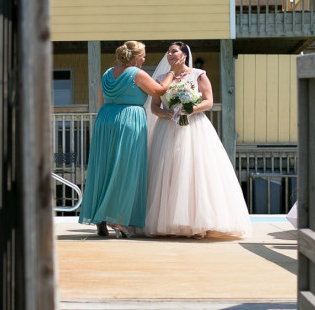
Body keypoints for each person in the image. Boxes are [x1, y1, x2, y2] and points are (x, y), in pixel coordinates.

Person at [144, 41, 252, 239]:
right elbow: (154, 107)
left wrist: (191, 108)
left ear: (184, 55)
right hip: (167, 129)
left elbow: (208, 101)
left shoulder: (198, 75)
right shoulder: (160, 78)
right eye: (168, 52)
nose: (169, 55)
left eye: (174, 52)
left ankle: (198, 223)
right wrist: (164, 113)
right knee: (169, 172)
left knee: (193, 171)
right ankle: (169, 222)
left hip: (193, 128)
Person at [79, 41, 176, 238]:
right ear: (135, 57)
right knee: (124, 169)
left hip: (105, 120)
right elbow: (158, 91)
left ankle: (101, 220)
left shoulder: (108, 73)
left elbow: (100, 99)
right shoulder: (137, 73)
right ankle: (118, 219)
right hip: (128, 120)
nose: (144, 59)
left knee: (103, 169)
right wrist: (171, 74)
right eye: (143, 56)